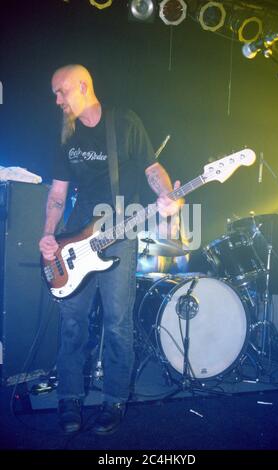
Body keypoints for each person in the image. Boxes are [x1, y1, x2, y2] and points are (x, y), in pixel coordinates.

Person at [39, 64, 182, 435]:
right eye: (55, 93)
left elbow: (153, 169)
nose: (57, 100)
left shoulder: (124, 123)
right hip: (75, 239)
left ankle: (114, 400)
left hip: (119, 232)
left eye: (61, 91)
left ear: (83, 86)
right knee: (73, 324)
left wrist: (167, 195)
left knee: (117, 324)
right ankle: (69, 398)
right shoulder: (66, 135)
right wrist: (49, 236)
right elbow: (57, 194)